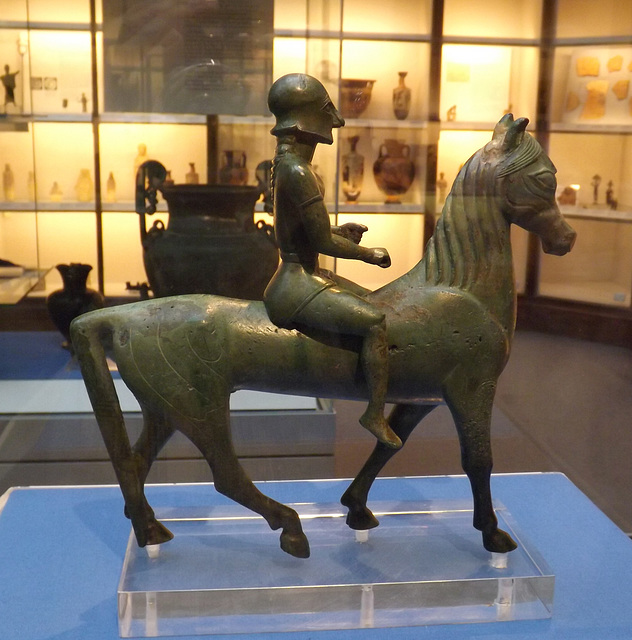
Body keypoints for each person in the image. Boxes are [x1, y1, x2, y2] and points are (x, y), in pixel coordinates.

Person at [264, 73, 401, 449]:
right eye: (328, 111)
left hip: (301, 275)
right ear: (307, 119)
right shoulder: (297, 171)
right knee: (373, 322)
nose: (337, 121)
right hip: (297, 283)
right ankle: (374, 413)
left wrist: (341, 230)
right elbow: (320, 241)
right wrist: (368, 255)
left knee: (374, 302)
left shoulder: (290, 165)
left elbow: (314, 229)